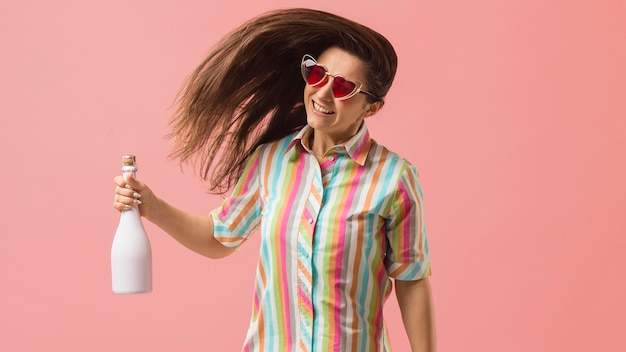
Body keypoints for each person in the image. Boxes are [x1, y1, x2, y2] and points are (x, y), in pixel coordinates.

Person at [113, 8, 436, 352]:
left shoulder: (394, 178)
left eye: (342, 87)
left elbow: (411, 280)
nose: (324, 93)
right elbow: (219, 237)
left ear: (371, 107)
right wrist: (152, 206)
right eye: (317, 75)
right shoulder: (270, 161)